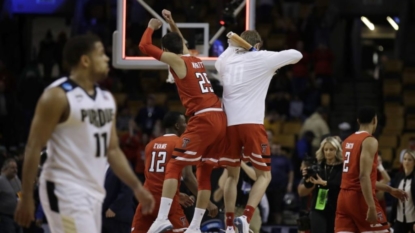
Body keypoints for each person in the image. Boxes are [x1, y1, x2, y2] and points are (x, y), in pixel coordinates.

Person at [14, 34, 155, 233]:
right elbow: (33, 146)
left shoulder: (106, 99)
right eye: (101, 54)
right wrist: (27, 196)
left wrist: (137, 187)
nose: (107, 58)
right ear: (85, 60)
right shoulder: (56, 96)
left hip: (94, 191)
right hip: (64, 188)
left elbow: (113, 151)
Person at [139, 10, 226, 233]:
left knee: (175, 164)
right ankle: (196, 225)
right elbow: (182, 43)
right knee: (204, 170)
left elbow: (144, 47)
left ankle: (161, 218)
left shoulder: (176, 60)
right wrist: (172, 23)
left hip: (203, 118)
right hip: (219, 114)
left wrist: (151, 26)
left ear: (167, 51)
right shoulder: (193, 58)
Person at [214, 30, 302, 233]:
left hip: (228, 126)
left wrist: (232, 46)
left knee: (231, 177)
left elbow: (220, 60)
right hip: (251, 124)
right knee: (264, 176)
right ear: (258, 45)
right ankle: (245, 218)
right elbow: (297, 55)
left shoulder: (226, 61)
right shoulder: (261, 57)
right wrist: (256, 52)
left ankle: (228, 226)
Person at [131, 112, 218, 233]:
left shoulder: (150, 145)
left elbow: (154, 177)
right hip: (166, 203)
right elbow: (187, 177)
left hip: (147, 200)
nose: (187, 126)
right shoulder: (182, 144)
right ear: (177, 126)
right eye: (184, 123)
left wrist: (178, 194)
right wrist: (207, 203)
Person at [335, 106, 407, 233]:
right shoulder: (369, 141)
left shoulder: (346, 141)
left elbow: (357, 178)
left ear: (358, 121)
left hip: (343, 198)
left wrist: (389, 189)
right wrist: (371, 206)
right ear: (375, 120)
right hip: (360, 197)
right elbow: (363, 177)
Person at [297, 137, 343, 233]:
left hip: (336, 207)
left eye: (331, 149)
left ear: (337, 150)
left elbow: (340, 185)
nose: (328, 152)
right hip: (318, 207)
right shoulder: (318, 166)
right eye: (325, 149)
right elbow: (309, 186)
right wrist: (307, 178)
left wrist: (324, 183)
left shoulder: (342, 167)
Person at [391, 150, 415, 233]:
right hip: (399, 220)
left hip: (412, 220)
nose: (406, 161)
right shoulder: (398, 176)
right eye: (404, 159)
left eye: (409, 159)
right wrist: (390, 220)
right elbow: (394, 201)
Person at [0, 158, 22, 233]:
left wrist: (20, 200)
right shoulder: (1, 181)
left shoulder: (16, 179)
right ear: (5, 169)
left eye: (16, 168)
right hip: (5, 217)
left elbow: (20, 193)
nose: (15, 170)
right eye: (12, 168)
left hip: (18, 217)